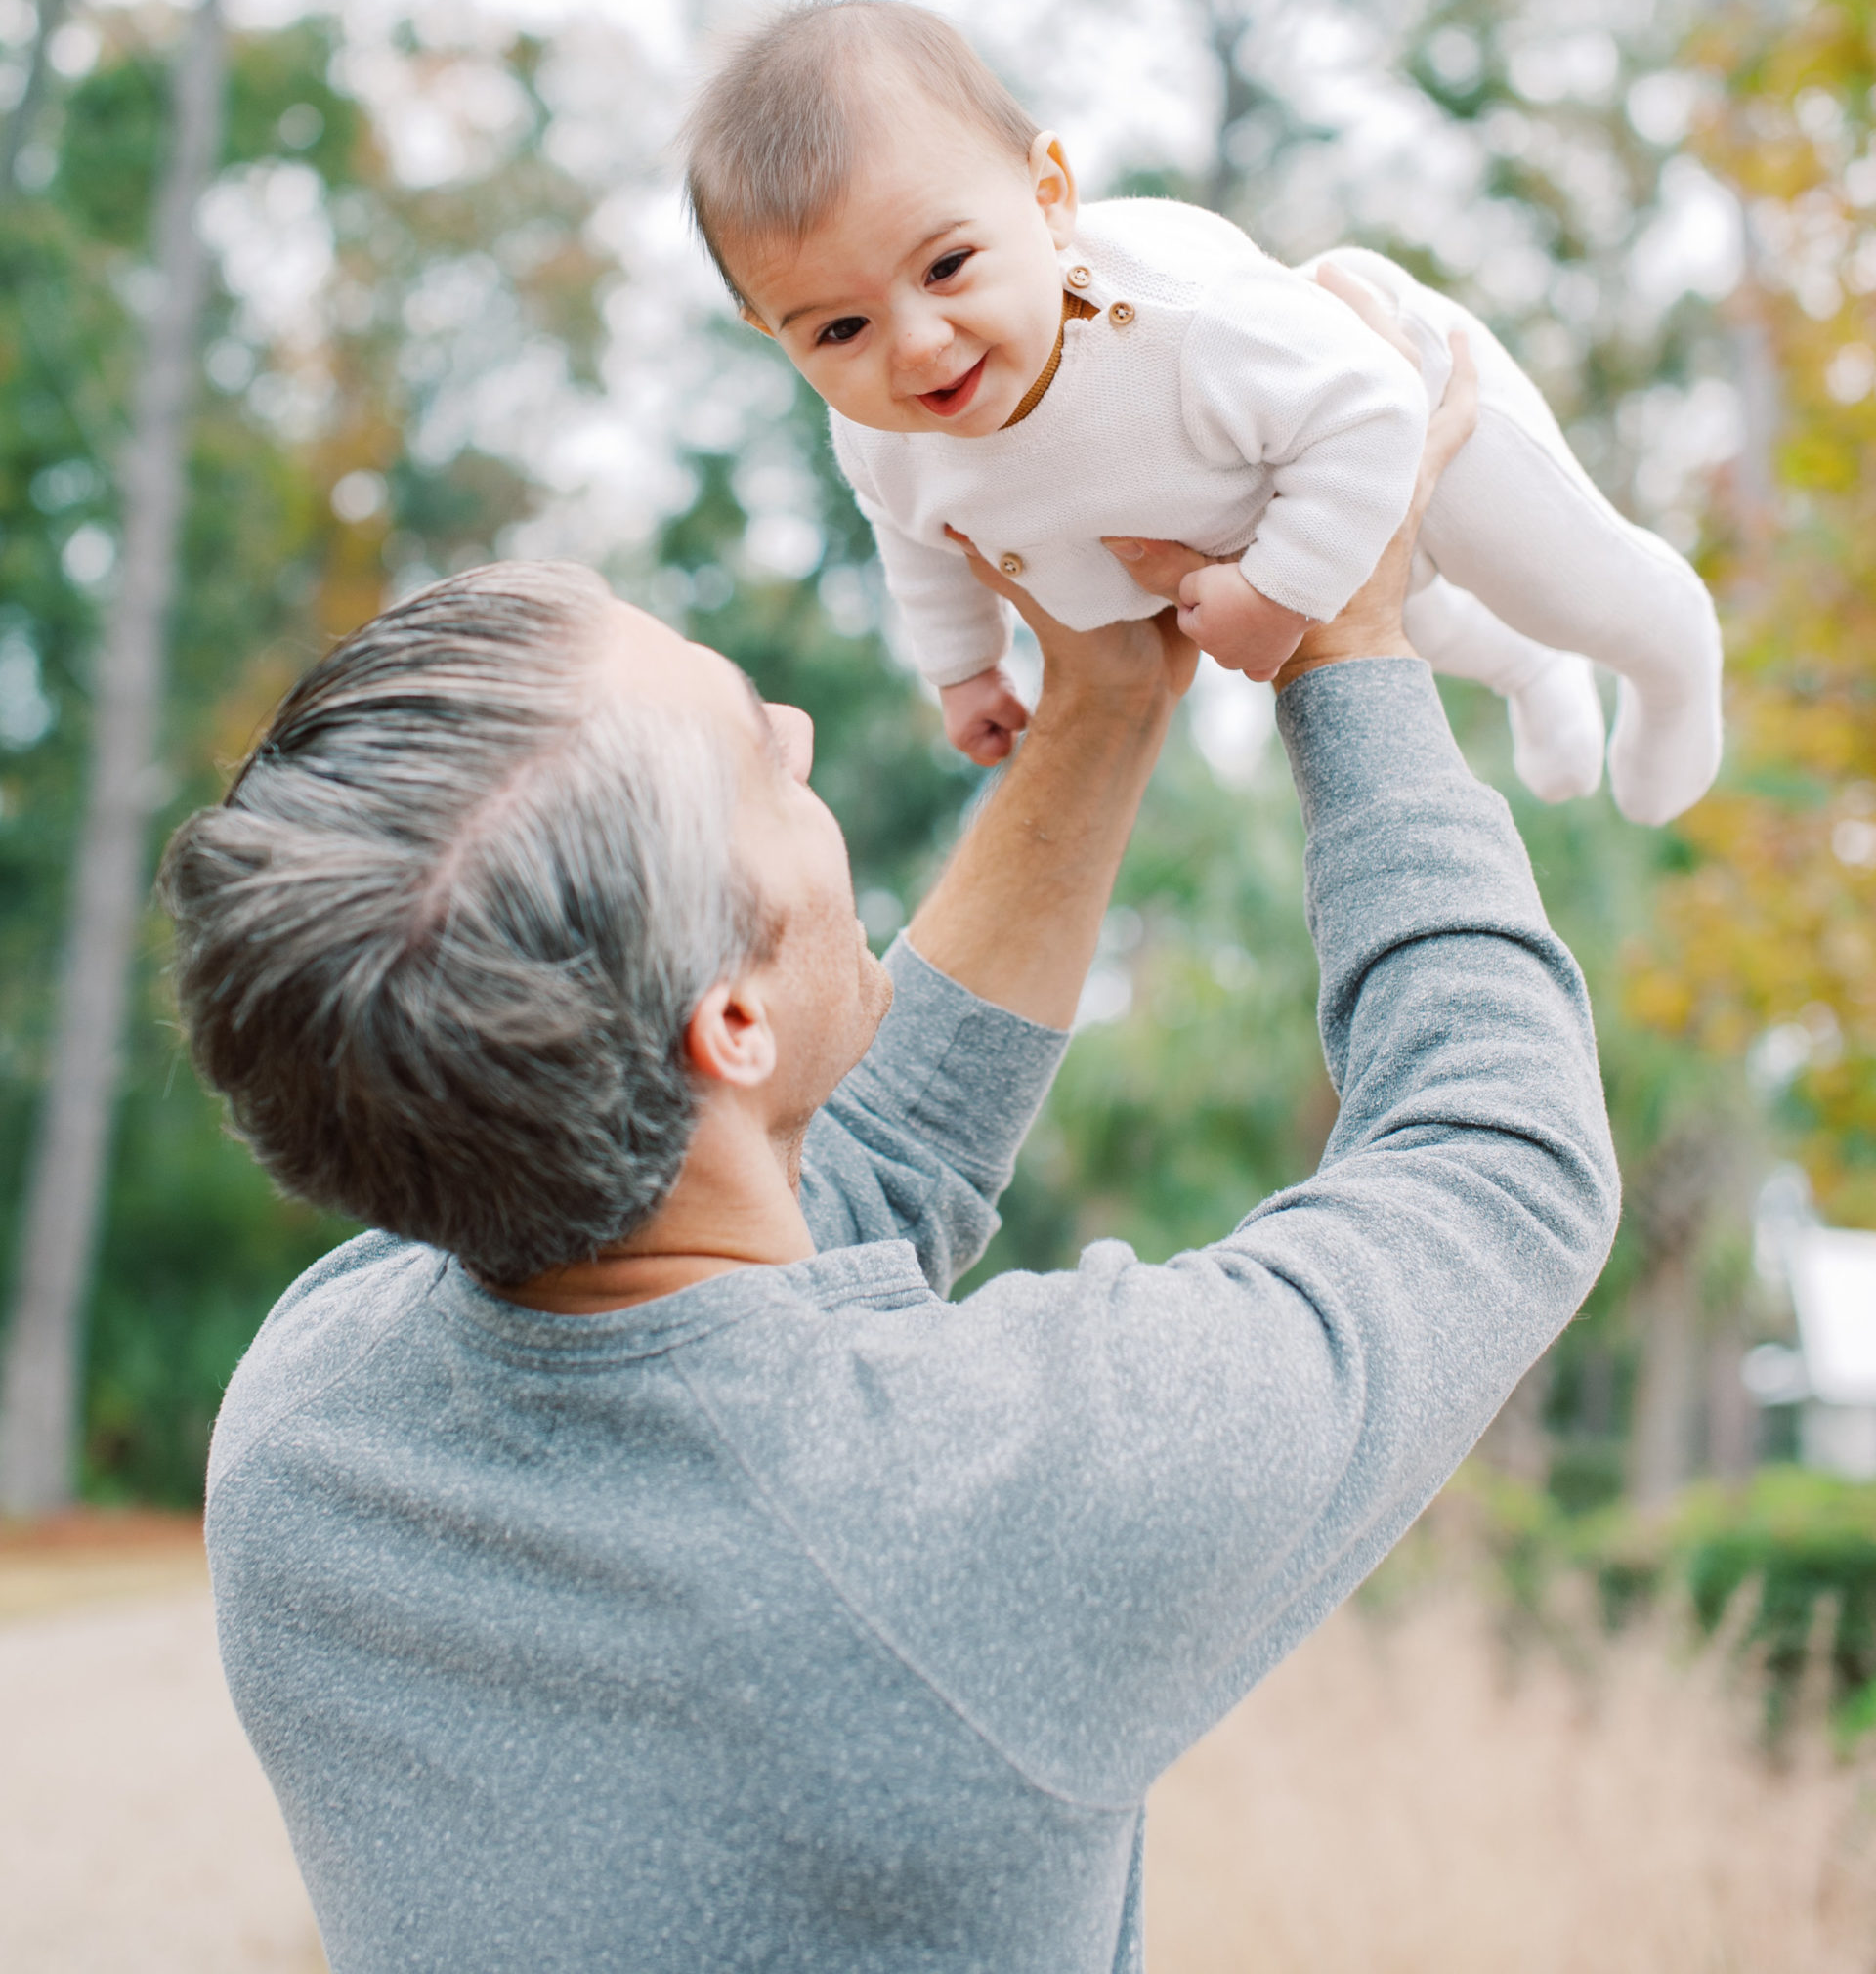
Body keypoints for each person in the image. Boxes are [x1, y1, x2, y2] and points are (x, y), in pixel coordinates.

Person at [160, 342, 1618, 1974]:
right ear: (725, 1021)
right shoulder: (982, 1517)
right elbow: (1501, 1156)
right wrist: (1352, 643)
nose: (792, 720)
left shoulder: (310, 1433)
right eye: (759, 760)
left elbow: (802, 1198)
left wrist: (1107, 705)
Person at [683, 0, 1723, 826]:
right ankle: (1533, 674)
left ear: (1049, 199)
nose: (913, 345)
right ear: (771, 331)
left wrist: (1275, 595)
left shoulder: (1184, 326)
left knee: (1561, 583)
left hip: (1373, 398)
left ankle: (1672, 657)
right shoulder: (879, 435)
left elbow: (1370, 416)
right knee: (1427, 621)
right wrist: (966, 667)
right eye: (837, 331)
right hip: (1272, 511)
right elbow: (916, 534)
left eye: (948, 265)